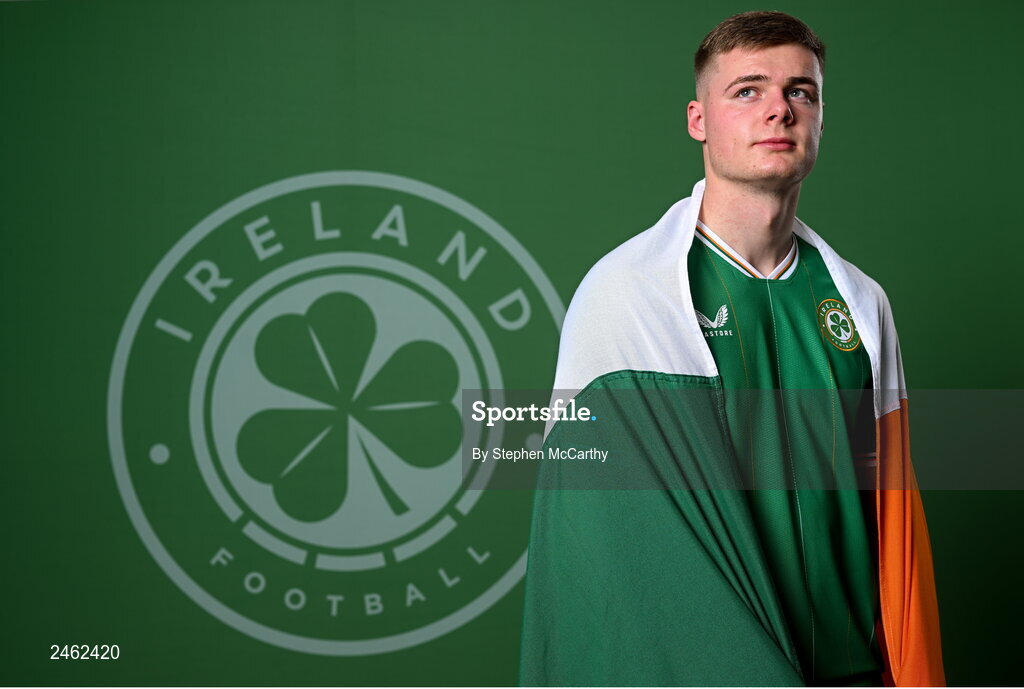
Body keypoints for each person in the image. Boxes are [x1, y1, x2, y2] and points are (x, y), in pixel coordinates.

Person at [518, 11, 944, 687]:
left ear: (820, 117)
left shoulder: (862, 303)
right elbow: (604, 539)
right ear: (698, 120)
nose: (778, 109)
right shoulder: (627, 296)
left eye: (800, 92)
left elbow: (893, 522)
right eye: (747, 90)